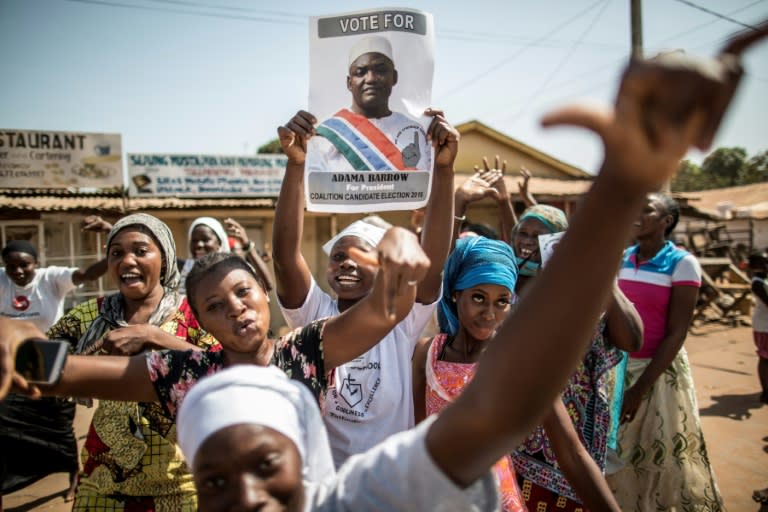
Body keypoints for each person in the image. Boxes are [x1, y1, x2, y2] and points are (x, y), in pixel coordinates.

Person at [4, 23, 765, 511]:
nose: (245, 495)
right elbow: (57, 370)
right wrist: (21, 350)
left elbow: (503, 390)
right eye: (214, 480)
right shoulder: (189, 375)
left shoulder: (320, 372)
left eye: (266, 463)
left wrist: (617, 190)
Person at [0, 225, 430, 484]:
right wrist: (15, 333)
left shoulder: (305, 350)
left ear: (265, 294)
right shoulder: (182, 373)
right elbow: (63, 371)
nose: (236, 308)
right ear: (202, 324)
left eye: (243, 292)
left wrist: (398, 242)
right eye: (215, 307)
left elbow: (388, 307)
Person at [274, 107, 456, 466]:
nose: (348, 263)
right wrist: (296, 165)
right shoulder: (315, 315)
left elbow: (431, 263)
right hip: (327, 492)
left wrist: (445, 169)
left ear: (386, 266)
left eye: (362, 254)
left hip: (387, 487)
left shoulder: (399, 318)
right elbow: (284, 257)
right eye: (339, 255)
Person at [51, 213, 219, 511]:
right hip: (104, 476)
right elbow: (39, 360)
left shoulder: (194, 314)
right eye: (117, 253)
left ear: (165, 259)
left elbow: (224, 371)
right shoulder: (90, 315)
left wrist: (154, 336)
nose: (127, 261)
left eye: (141, 251)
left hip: (180, 479)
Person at [505, 203, 642, 511]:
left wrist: (604, 273)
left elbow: (631, 338)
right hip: (513, 426)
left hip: (571, 425)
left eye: (537, 236)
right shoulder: (505, 283)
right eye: (521, 234)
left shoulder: (582, 288)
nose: (526, 242)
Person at [606, 193, 724, 510]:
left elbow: (677, 332)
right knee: (617, 457)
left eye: (646, 209)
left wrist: (640, 389)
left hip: (656, 375)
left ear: (666, 221)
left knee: (655, 455)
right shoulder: (621, 258)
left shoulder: (682, 263)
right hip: (618, 370)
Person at [411, 236, 526, 511]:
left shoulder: (513, 359)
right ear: (454, 293)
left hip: (497, 495)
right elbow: (416, 432)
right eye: (478, 297)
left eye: (502, 301)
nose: (489, 313)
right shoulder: (429, 354)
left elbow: (570, 450)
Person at [0, 237, 107, 505]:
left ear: (37, 263)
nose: (18, 272)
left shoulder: (51, 278)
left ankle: (73, 473)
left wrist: (115, 250)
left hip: (48, 357)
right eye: (11, 267)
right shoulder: (1, 280)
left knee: (59, 422)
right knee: (7, 422)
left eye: (24, 265)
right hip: (11, 360)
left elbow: (89, 273)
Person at [306, 35, 432, 172]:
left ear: (394, 77)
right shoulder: (325, 135)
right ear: (349, 83)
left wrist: (445, 167)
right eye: (360, 72)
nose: (371, 79)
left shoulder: (417, 131)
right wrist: (295, 163)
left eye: (381, 70)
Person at [748, 250, 768, 404]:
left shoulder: (764, 279)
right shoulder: (757, 283)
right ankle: (765, 392)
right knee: (765, 357)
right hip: (764, 326)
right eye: (763, 262)